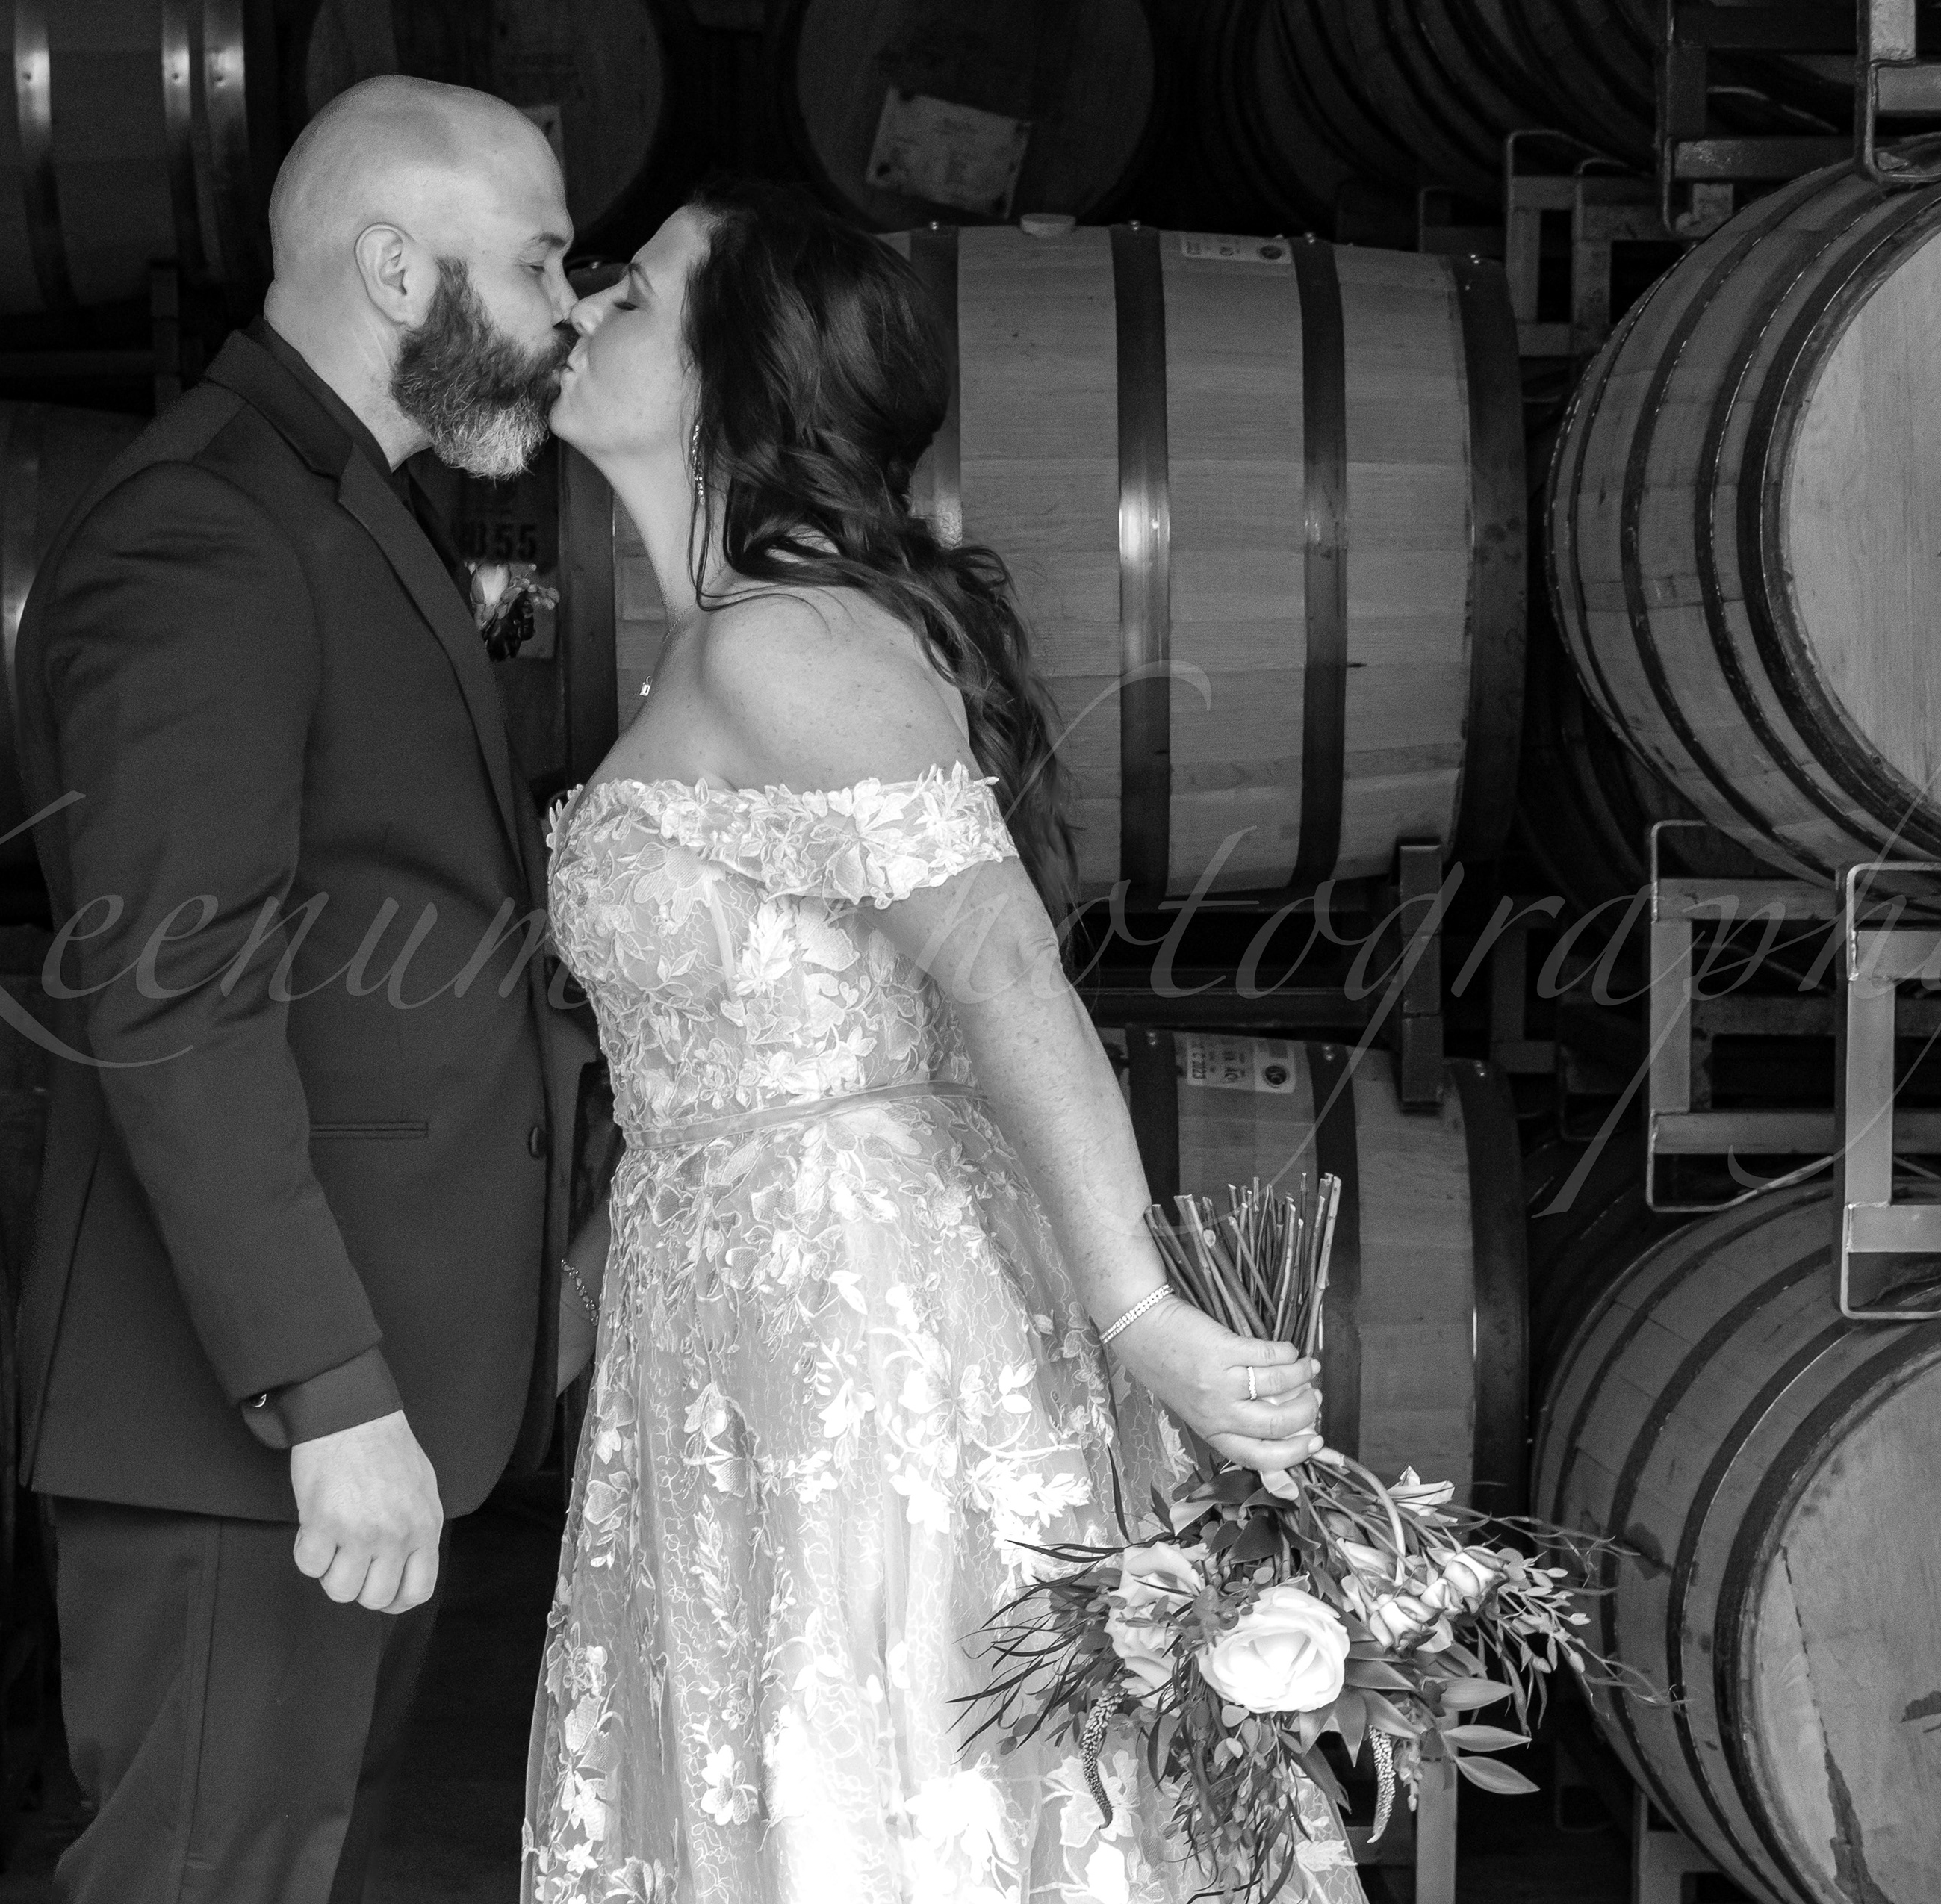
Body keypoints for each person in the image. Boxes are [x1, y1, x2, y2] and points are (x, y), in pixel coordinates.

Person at [524, 179, 1357, 1903]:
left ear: (740, 379)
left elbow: (1000, 972)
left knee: (887, 1782)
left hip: (856, 1311)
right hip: (730, 1317)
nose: (586, 307)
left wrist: (1140, 1319)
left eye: (639, 292)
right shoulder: (735, 644)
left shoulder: (785, 647)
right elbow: (718, 1082)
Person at [7, 76, 612, 1904]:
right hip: (252, 1420)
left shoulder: (337, 498)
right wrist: (329, 1393)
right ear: (398, 271)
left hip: (353, 1395)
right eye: (540, 261)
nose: (569, 309)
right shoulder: (207, 526)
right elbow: (176, 992)